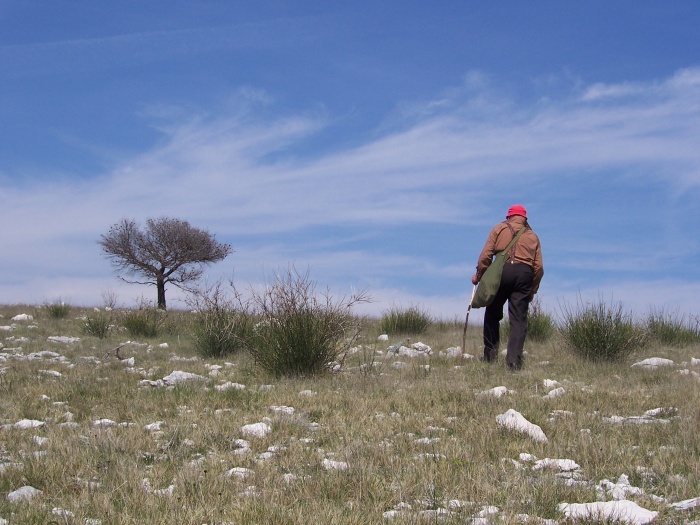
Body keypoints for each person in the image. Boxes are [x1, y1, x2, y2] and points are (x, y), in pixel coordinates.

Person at [471, 204, 543, 371]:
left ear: (509, 216)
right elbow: (538, 268)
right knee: (518, 320)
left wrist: (479, 275)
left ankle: (490, 357)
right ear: (525, 218)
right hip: (525, 274)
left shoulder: (499, 229)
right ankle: (513, 363)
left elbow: (485, 256)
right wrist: (532, 290)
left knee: (492, 313)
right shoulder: (533, 236)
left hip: (502, 271)